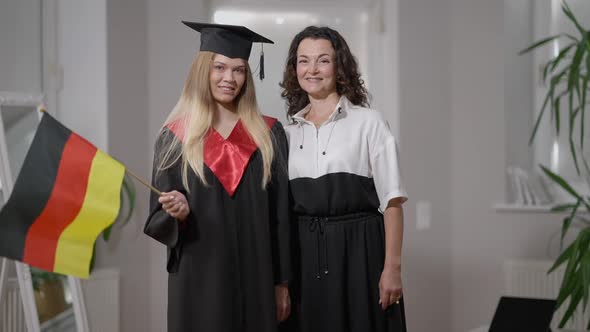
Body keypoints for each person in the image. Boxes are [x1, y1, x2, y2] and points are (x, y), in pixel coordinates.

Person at [144, 22, 291, 332]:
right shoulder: (175, 137)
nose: (229, 78)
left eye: (239, 70)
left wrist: (282, 283)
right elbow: (158, 218)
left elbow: (281, 217)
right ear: (203, 71)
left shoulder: (268, 134)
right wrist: (177, 212)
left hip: (257, 277)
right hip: (200, 280)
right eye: (220, 67)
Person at [280, 26, 408, 332]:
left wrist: (392, 268)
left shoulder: (369, 122)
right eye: (303, 61)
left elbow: (392, 201)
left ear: (339, 67)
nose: (312, 69)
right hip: (304, 256)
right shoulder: (286, 134)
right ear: (294, 68)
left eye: (322, 60)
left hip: (360, 254)